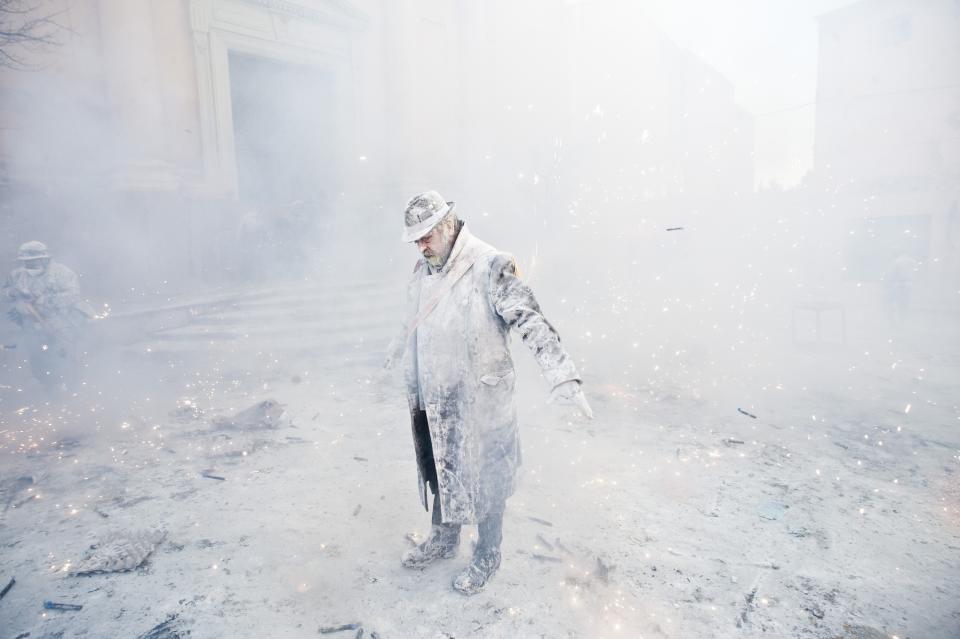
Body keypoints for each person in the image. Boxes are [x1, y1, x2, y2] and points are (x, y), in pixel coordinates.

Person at [385, 190, 592, 595]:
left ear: (447, 226)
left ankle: (487, 554)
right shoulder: (423, 268)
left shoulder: (491, 266)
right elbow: (411, 320)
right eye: (416, 239)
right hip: (434, 396)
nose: (420, 245)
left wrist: (562, 376)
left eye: (426, 236)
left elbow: (530, 320)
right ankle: (445, 540)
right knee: (441, 469)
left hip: (481, 401)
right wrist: (394, 354)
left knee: (486, 479)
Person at [2, 241, 94, 386]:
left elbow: (73, 295)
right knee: (38, 362)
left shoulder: (62, 273)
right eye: (26, 262)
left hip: (62, 322)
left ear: (44, 259)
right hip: (31, 326)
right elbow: (3, 294)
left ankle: (75, 389)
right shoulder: (17, 275)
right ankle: (51, 391)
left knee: (67, 357)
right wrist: (13, 293)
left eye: (33, 262)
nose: (29, 266)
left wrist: (43, 300)